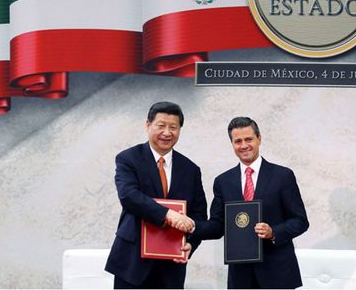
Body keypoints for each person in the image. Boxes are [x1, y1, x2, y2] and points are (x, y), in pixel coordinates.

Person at [194, 117, 309, 289]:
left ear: (259, 139)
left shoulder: (283, 176)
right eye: (238, 141)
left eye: (249, 139)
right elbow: (217, 226)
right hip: (241, 276)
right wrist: (192, 227)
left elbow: (300, 221)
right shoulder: (223, 181)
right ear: (232, 144)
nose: (244, 145)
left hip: (277, 273)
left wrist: (273, 232)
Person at [105, 102, 207, 289]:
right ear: (148, 125)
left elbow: (199, 215)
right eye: (161, 126)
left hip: (171, 267)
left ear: (180, 130)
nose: (167, 133)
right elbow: (129, 196)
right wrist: (168, 214)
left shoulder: (191, 169)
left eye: (173, 127)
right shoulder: (128, 158)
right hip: (132, 262)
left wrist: (191, 244)